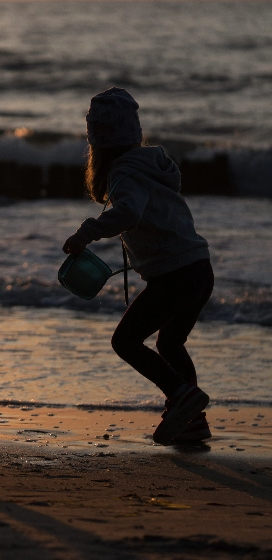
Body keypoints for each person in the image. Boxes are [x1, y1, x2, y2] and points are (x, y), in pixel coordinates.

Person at [63, 87, 213, 445]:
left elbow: (128, 212)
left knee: (126, 341)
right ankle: (192, 421)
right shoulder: (149, 165)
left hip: (175, 276)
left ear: (97, 142)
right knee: (171, 343)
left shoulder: (125, 173)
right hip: (198, 269)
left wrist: (87, 233)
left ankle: (182, 395)